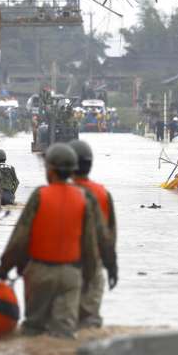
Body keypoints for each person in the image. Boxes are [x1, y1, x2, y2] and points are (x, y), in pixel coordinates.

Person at [0, 143, 102, 338]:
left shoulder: (40, 195)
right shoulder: (83, 198)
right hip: (71, 275)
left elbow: (20, 237)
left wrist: (5, 267)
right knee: (64, 333)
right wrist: (88, 277)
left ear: (51, 169)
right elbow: (90, 244)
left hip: (40, 273)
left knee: (34, 329)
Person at [69, 139, 118, 328]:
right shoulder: (103, 193)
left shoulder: (59, 192)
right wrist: (112, 266)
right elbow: (109, 235)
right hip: (93, 262)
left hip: (64, 262)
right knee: (89, 321)